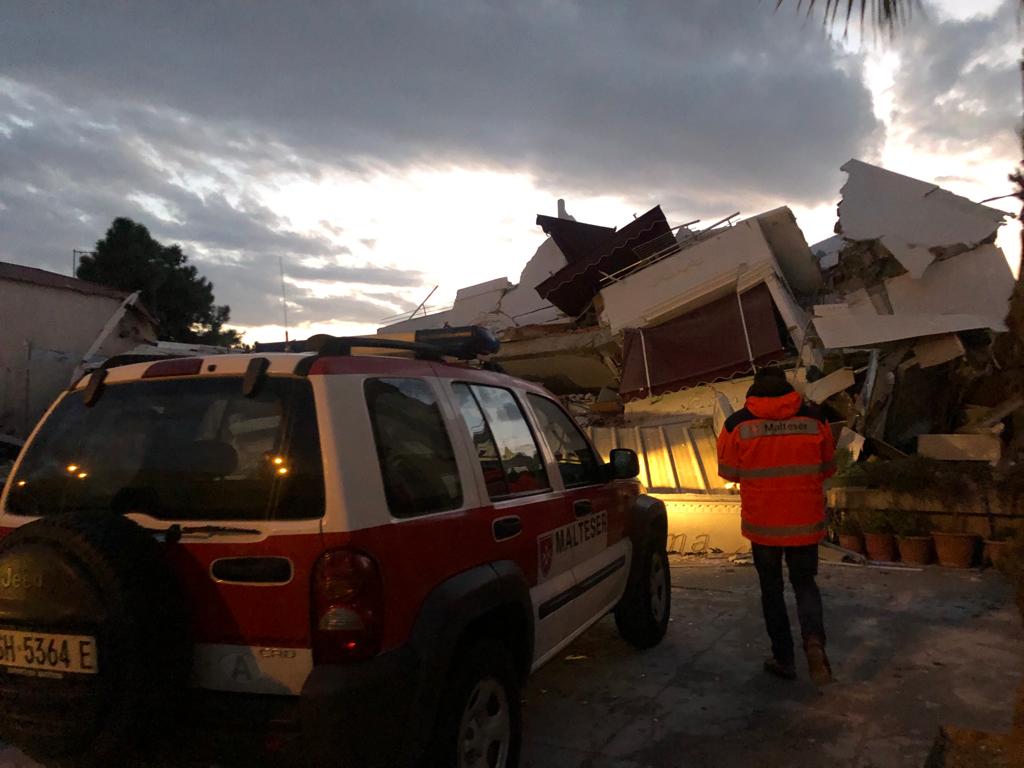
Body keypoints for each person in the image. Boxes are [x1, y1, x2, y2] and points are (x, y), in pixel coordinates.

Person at [716, 367, 836, 685]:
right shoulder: (815, 418)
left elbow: (728, 471)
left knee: (772, 591)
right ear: (788, 389)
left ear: (754, 391)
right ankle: (813, 643)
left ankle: (784, 659)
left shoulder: (737, 424)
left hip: (763, 525)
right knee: (805, 585)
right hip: (804, 523)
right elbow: (827, 467)